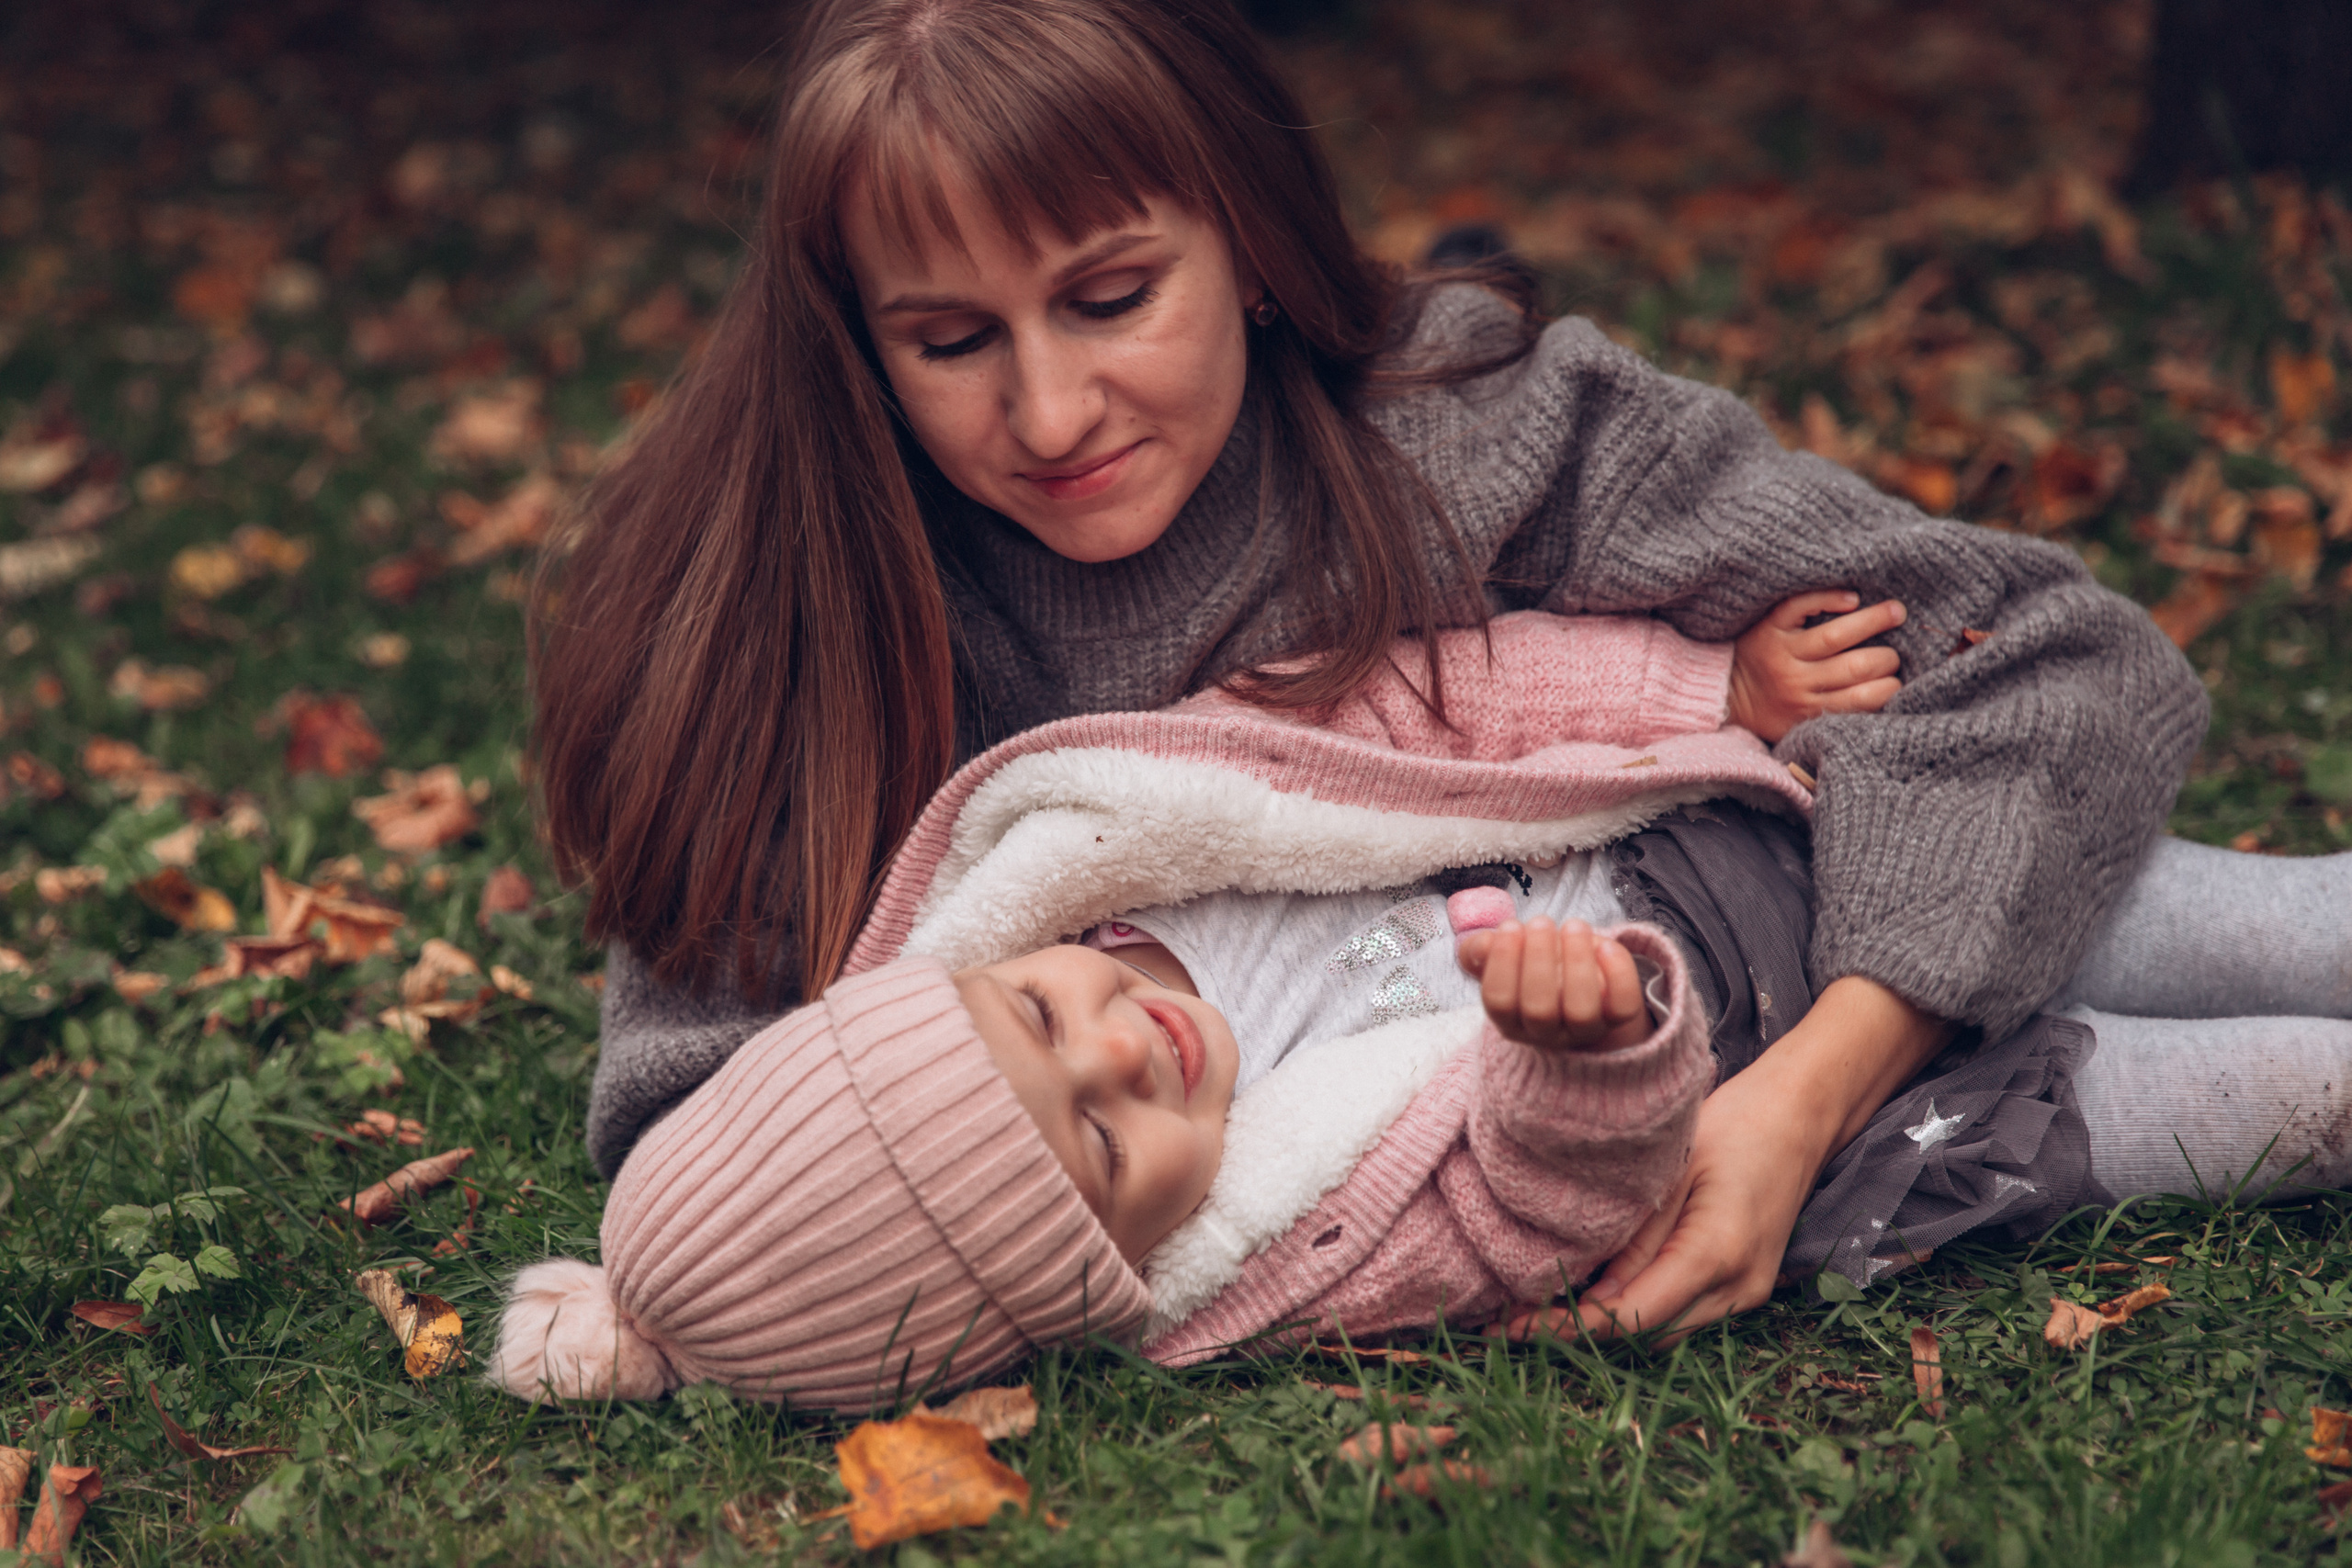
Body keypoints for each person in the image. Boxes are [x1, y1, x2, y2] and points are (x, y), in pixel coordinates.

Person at [527, 0, 2207, 1342]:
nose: (1047, 416)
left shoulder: (1469, 434)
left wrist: (1798, 1104)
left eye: (1111, 299)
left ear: (1250, 245)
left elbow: (2045, 663)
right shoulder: (789, 634)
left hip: (1778, 931)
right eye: (949, 341)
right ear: (854, 339)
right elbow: (706, 1142)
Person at [492, 608, 2352, 1405]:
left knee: (2267, 922)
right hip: (1873, 1138)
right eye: (1097, 1143)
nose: (1119, 1054)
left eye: (1041, 1020)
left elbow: (1431, 711)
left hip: (1793, 857)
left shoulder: (1141, 835)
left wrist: (1708, 681)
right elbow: (1520, 1214)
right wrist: (1586, 1059)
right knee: (2276, 1096)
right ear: (1094, 1273)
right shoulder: (1286, 1235)